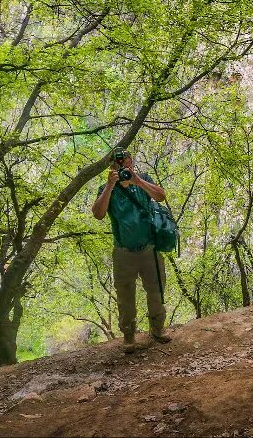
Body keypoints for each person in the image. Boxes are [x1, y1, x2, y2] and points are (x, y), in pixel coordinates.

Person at [92, 147, 171, 353]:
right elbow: (98, 214)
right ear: (112, 166)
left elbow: (161, 196)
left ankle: (157, 329)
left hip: (149, 248)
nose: (124, 165)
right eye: (119, 163)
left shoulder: (142, 178)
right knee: (125, 295)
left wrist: (137, 181)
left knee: (155, 290)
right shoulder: (106, 188)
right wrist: (110, 186)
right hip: (123, 251)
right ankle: (129, 336)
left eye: (126, 160)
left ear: (132, 161)